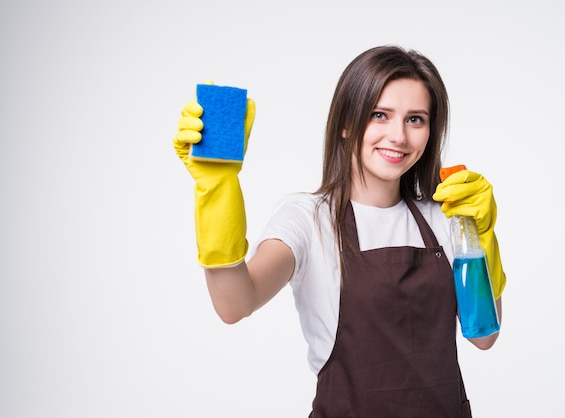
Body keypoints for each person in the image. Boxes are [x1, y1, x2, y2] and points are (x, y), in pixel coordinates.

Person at [173, 45, 506, 417]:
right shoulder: (308, 219)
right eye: (380, 115)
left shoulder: (445, 219)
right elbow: (235, 304)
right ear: (347, 122)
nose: (398, 135)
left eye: (415, 119)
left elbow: (484, 336)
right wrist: (216, 192)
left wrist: (481, 238)